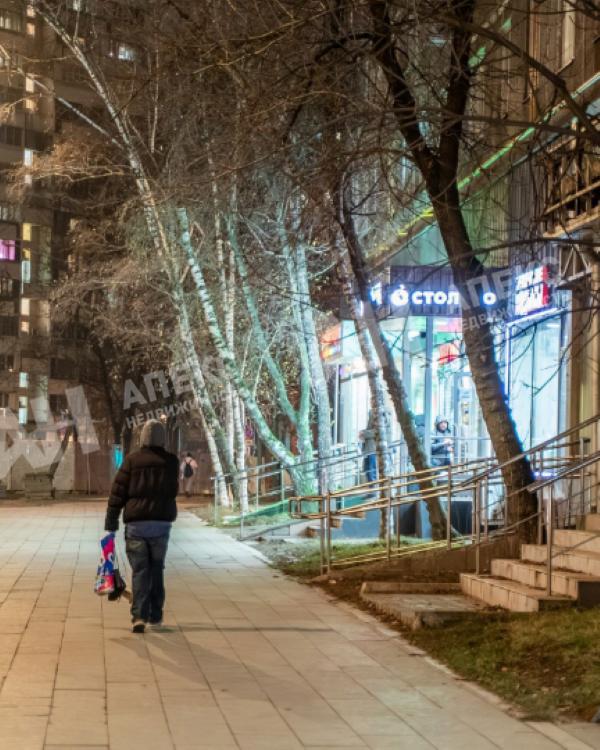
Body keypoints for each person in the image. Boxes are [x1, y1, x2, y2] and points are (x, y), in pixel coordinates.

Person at [104, 419, 179, 633]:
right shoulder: (171, 462)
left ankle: (139, 616)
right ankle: (155, 614)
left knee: (140, 571)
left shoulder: (131, 461)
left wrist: (111, 522)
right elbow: (172, 490)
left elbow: (118, 492)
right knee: (157, 569)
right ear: (162, 438)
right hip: (161, 524)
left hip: (137, 525)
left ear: (142, 438)